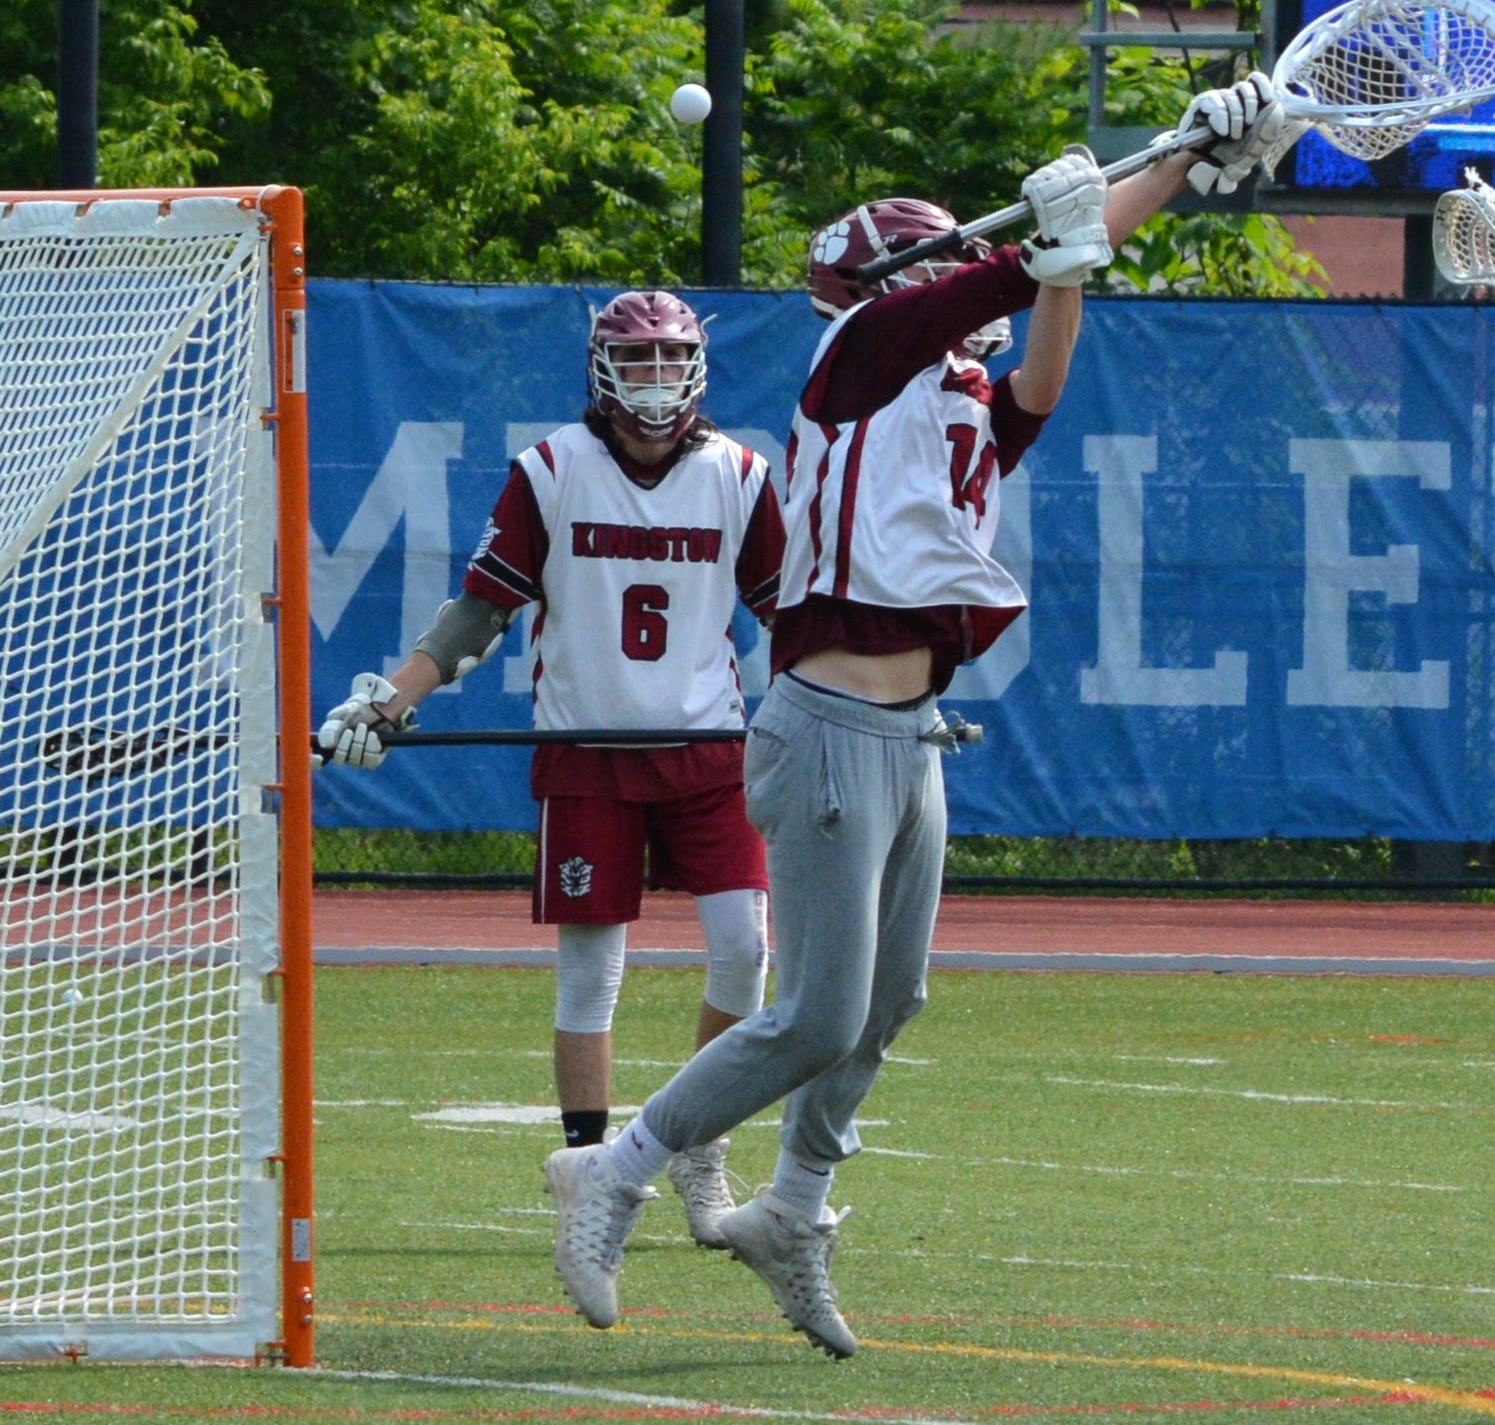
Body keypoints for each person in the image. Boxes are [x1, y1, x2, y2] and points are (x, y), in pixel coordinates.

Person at [538, 82, 1299, 1356]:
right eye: (928, 268)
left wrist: (1151, 187)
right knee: (818, 1014)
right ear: (876, 285)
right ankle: (614, 1169)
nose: (950, 284)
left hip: (910, 732)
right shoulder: (860, 353)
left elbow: (1039, 372)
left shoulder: (946, 391)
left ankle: (791, 1206)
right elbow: (999, 277)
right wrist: (1137, 180)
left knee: (889, 1005)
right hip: (828, 719)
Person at [318, 291, 783, 1246]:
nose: (656, 383)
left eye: (671, 360)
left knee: (745, 948)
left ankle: (697, 1146)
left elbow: (798, 619)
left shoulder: (740, 474)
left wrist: (884, 697)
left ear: (697, 367)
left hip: (708, 749)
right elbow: (479, 614)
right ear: (601, 371)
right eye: (637, 361)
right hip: (585, 752)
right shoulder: (550, 470)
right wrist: (387, 700)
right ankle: (591, 1176)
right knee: (588, 974)